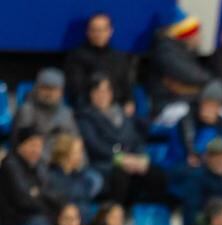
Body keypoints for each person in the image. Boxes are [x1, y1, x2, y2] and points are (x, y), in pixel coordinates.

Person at [77, 74, 167, 205]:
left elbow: (136, 140)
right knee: (120, 175)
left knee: (156, 173)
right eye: (98, 91)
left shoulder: (122, 114)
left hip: (130, 160)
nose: (103, 95)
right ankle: (118, 214)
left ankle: (151, 218)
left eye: (107, 90)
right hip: (104, 163)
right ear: (91, 94)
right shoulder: (85, 117)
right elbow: (94, 145)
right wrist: (121, 158)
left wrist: (141, 158)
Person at [64, 12, 135, 111]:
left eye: (102, 30)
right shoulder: (76, 56)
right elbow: (76, 89)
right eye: (94, 30)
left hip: (116, 108)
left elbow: (126, 88)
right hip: (88, 109)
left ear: (110, 31)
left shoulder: (119, 57)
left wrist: (129, 102)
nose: (98, 34)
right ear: (88, 32)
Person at [147, 6, 212, 111]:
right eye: (196, 33)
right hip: (167, 103)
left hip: (184, 99)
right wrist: (210, 80)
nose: (200, 37)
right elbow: (191, 75)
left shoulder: (186, 52)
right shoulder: (166, 52)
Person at [0, 126, 57, 225]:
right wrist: (44, 202)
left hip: (38, 214)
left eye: (39, 146)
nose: (36, 150)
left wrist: (37, 193)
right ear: (20, 145)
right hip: (17, 222)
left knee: (71, 222)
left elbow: (50, 192)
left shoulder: (39, 165)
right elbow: (23, 200)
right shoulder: (10, 165)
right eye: (32, 145)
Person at [14, 68, 80, 160]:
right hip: (38, 164)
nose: (49, 93)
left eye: (54, 89)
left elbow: (76, 142)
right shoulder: (27, 111)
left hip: (64, 164)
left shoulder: (66, 113)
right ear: (37, 88)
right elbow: (24, 146)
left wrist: (80, 165)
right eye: (45, 88)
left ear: (61, 91)